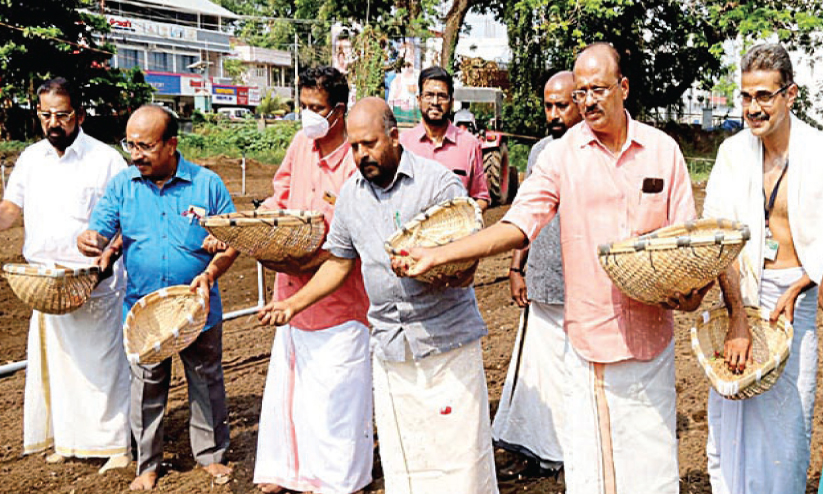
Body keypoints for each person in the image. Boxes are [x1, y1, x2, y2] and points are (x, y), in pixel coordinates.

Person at [398, 43, 709, 494]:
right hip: (585, 341)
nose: (588, 101)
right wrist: (444, 253)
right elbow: (518, 224)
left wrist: (692, 291)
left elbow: (684, 241)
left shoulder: (663, 152)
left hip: (649, 341)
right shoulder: (561, 156)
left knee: (651, 466)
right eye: (581, 92)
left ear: (623, 87)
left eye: (599, 89)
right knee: (588, 469)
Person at [259, 97, 499, 494]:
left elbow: (466, 260)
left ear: (394, 136)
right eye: (354, 146)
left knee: (458, 455)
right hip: (390, 345)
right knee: (406, 455)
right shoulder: (352, 196)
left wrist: (439, 267)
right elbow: (338, 263)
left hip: (444, 341)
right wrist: (292, 304)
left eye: (369, 144)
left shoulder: (437, 184)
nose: (360, 154)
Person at [77, 105, 239, 490]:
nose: (136, 155)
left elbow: (233, 240)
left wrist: (211, 271)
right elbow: (100, 229)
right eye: (130, 145)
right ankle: (147, 464)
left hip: (197, 307)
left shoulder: (207, 184)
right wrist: (92, 240)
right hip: (144, 310)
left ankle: (212, 457)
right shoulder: (123, 185)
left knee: (205, 380)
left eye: (145, 146)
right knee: (147, 387)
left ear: (171, 144)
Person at [702, 43, 823, 494]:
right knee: (732, 417)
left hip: (797, 301)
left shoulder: (818, 150)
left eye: (765, 96)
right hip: (741, 293)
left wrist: (802, 286)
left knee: (788, 422)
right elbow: (718, 237)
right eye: (746, 96)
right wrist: (737, 315)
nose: (753, 108)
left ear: (790, 94)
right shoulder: (733, 153)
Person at [252, 66, 373, 494]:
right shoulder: (301, 144)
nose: (308, 116)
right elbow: (278, 194)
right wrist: (260, 220)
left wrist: (311, 260)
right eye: (303, 106)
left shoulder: (357, 161)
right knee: (294, 393)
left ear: (338, 111)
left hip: (341, 300)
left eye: (316, 108)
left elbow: (355, 241)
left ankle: (341, 480)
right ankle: (289, 473)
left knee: (337, 397)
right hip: (291, 291)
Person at [0, 77, 130, 473]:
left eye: (62, 115)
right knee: (59, 363)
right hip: (45, 282)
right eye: (46, 115)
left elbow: (128, 213)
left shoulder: (105, 159)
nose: (54, 123)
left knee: (101, 364)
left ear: (80, 115)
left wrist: (109, 252)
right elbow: (10, 208)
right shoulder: (30, 158)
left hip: (95, 281)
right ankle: (71, 441)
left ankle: (116, 446)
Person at [492, 70, 581, 479]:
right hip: (542, 280)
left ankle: (575, 451)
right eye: (548, 105)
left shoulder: (595, 151)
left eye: (562, 104)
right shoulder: (540, 152)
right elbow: (526, 217)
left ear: (581, 101)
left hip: (584, 288)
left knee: (576, 373)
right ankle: (545, 450)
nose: (554, 113)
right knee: (543, 373)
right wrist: (515, 268)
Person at [399, 66, 491, 211]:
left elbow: (481, 197)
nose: (435, 102)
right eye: (429, 95)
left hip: (457, 232)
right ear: (419, 99)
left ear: (452, 102)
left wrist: (464, 218)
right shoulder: (403, 144)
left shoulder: (469, 144)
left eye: (442, 96)